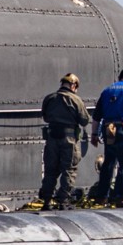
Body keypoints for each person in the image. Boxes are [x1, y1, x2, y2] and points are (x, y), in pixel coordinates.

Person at [39, 73, 91, 209]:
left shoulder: (49, 98)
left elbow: (45, 116)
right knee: (69, 169)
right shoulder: (76, 100)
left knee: (51, 170)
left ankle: (47, 201)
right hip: (69, 140)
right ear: (73, 85)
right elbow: (85, 120)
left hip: (52, 139)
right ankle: (63, 201)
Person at [92, 67, 123, 206]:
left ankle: (102, 196)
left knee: (109, 162)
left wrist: (94, 134)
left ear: (119, 78)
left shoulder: (107, 90)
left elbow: (96, 116)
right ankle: (122, 196)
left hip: (109, 128)